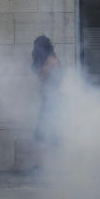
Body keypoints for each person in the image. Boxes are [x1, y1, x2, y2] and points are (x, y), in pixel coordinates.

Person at [32, 35, 62, 166]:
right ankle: (50, 166)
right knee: (48, 134)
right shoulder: (52, 59)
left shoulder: (51, 60)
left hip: (52, 101)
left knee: (41, 134)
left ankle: (41, 167)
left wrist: (44, 67)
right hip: (50, 100)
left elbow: (42, 76)